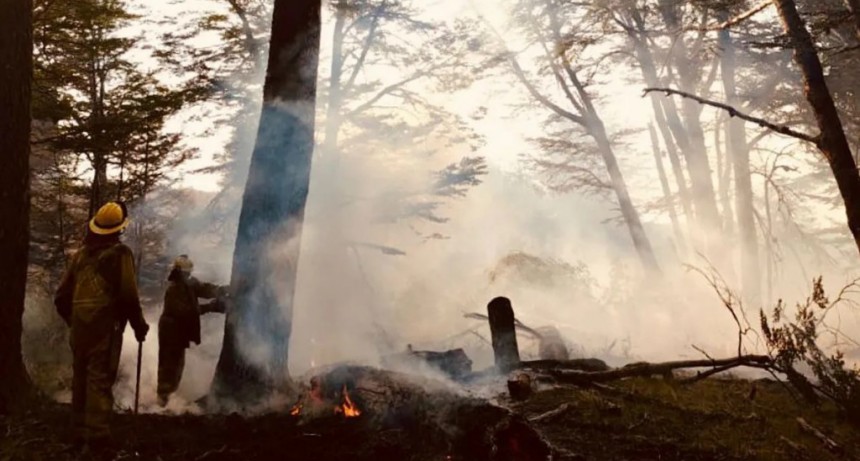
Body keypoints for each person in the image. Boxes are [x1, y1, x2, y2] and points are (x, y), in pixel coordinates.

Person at [54, 201, 150, 450]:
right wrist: (139, 325)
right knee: (99, 379)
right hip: (104, 329)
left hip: (79, 331)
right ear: (118, 229)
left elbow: (61, 297)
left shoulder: (81, 255)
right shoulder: (120, 254)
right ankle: (97, 437)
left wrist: (73, 322)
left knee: (80, 378)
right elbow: (129, 295)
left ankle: (78, 432)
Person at [157, 254, 227, 406]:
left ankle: (167, 398)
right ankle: (163, 399)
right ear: (180, 272)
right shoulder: (174, 289)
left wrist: (222, 290)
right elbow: (186, 312)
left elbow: (204, 289)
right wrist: (211, 307)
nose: (189, 275)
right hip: (170, 331)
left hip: (179, 332)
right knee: (169, 366)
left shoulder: (188, 283)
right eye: (186, 272)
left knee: (177, 365)